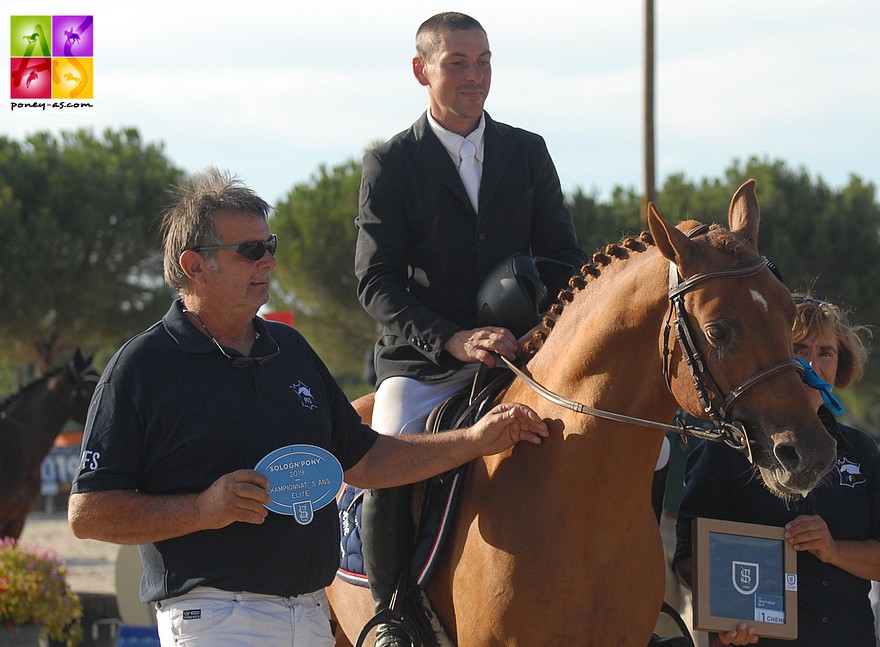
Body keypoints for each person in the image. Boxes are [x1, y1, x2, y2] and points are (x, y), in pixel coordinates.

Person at [67, 169, 550, 647]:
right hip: (213, 617)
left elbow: (367, 461)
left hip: (312, 614)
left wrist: (476, 440)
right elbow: (89, 513)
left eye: (270, 246)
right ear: (194, 265)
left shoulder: (291, 349)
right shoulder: (142, 366)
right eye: (250, 251)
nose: (269, 263)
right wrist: (202, 509)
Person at [354, 12, 587, 645]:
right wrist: (454, 339)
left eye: (483, 61)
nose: (475, 75)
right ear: (420, 70)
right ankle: (394, 612)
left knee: (657, 448)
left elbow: (565, 261)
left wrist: (548, 336)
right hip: (425, 362)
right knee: (389, 447)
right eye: (457, 62)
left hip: (522, 355)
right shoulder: (390, 164)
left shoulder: (527, 150)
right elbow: (376, 284)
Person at [672, 294, 878, 646]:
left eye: (825, 352)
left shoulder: (863, 450)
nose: (812, 364)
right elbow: (690, 558)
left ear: (840, 364)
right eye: (799, 349)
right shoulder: (726, 450)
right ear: (774, 356)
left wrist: (833, 550)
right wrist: (727, 616)